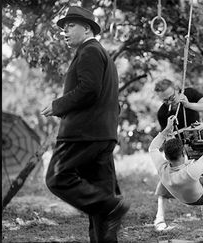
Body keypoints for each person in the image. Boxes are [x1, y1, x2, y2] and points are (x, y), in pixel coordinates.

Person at [41, 6, 129, 242]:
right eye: (64, 27)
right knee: (100, 212)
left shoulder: (89, 51)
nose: (65, 31)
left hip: (83, 135)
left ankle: (112, 206)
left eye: (70, 26)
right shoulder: (103, 56)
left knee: (57, 178)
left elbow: (89, 89)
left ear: (87, 28)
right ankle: (108, 207)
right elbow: (107, 100)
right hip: (102, 135)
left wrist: (58, 105)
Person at [153, 79, 203, 231]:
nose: (170, 102)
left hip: (198, 141)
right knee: (165, 176)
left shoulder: (189, 93)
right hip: (179, 149)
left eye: (171, 97)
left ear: (177, 89)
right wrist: (170, 135)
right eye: (165, 100)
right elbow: (166, 136)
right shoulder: (163, 112)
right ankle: (160, 215)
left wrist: (189, 105)